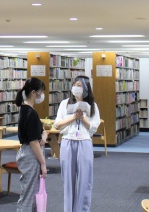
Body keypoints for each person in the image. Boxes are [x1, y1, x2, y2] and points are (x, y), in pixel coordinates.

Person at [53, 75, 101, 212]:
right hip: (67, 142)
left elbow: (93, 128)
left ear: (86, 88)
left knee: (85, 181)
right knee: (68, 181)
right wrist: (74, 117)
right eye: (74, 85)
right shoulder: (65, 103)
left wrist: (82, 117)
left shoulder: (92, 106)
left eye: (79, 85)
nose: (75, 88)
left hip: (84, 142)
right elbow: (58, 125)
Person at [15, 77, 48, 212]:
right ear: (34, 93)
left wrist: (44, 135)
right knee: (29, 195)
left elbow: (40, 132)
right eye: (41, 92)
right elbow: (33, 142)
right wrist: (43, 163)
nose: (42, 95)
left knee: (32, 193)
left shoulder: (25, 110)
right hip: (31, 155)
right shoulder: (30, 113)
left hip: (29, 153)